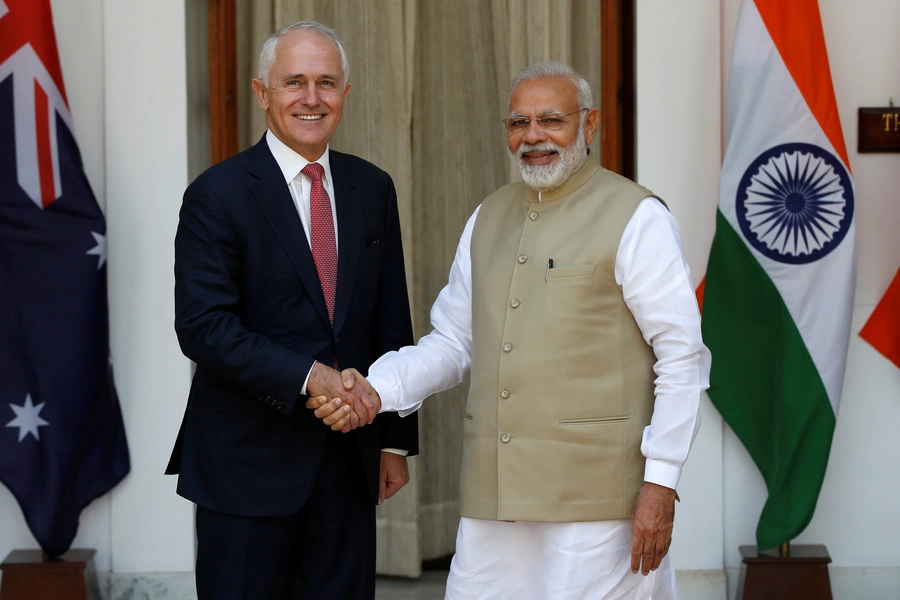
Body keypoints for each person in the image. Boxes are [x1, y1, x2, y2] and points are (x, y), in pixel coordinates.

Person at [313, 61, 710, 599]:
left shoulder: (637, 217)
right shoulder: (488, 216)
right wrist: (373, 390)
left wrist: (661, 483)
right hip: (494, 499)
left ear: (588, 126)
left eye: (551, 119)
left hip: (598, 503)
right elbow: (453, 342)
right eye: (518, 123)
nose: (533, 136)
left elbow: (682, 357)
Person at [165, 21, 417, 600]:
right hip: (246, 466)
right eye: (294, 82)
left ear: (345, 94)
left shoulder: (372, 188)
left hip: (349, 461)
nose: (311, 98)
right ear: (262, 93)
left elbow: (390, 320)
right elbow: (203, 326)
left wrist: (394, 441)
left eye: (326, 82)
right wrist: (309, 378)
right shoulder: (216, 194)